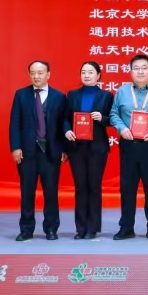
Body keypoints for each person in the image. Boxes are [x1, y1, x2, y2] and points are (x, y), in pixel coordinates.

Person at [109, 54, 148, 241]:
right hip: (128, 144)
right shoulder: (122, 91)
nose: (141, 71)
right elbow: (113, 114)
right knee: (127, 188)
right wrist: (121, 128)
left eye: (144, 68)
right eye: (136, 68)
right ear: (130, 71)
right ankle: (126, 228)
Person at [9, 60, 68, 241]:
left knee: (51, 192)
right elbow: (15, 123)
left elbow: (63, 124)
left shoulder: (59, 97)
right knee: (27, 192)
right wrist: (16, 147)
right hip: (27, 153)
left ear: (48, 75)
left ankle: (51, 229)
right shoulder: (21, 95)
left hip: (51, 153)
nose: (36, 76)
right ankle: (26, 230)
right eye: (33, 73)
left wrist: (64, 149)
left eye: (40, 72)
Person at [64, 61, 113, 240]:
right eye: (83, 72)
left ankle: (92, 228)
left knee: (93, 187)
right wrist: (67, 130)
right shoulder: (72, 95)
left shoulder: (106, 96)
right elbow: (65, 118)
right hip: (76, 147)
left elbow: (113, 119)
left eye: (90, 72)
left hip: (97, 148)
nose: (86, 75)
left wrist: (102, 118)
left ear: (98, 75)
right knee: (80, 188)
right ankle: (81, 228)